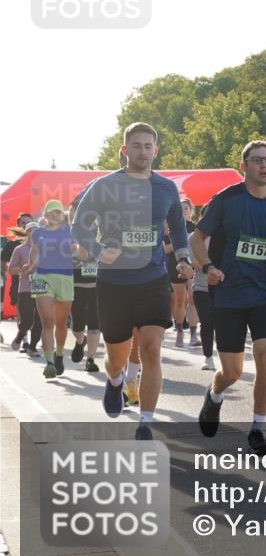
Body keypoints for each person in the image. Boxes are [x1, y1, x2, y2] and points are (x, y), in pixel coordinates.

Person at [72, 122, 195, 440]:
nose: (143, 151)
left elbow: (178, 228)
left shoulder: (166, 188)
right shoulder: (104, 185)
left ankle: (145, 421)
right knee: (116, 358)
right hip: (113, 282)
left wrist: (182, 258)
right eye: (137, 145)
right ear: (125, 150)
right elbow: (79, 224)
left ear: (156, 150)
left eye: (148, 146)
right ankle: (114, 381)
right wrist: (98, 250)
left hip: (153, 278)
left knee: (152, 348)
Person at [190, 140, 266, 456]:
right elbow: (196, 238)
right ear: (244, 165)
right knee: (232, 371)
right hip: (228, 294)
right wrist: (207, 266)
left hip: (264, 292)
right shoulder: (226, 200)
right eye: (257, 160)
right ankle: (215, 394)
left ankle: (258, 430)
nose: (264, 165)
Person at [28, 200, 75, 379]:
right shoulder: (37, 233)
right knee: (47, 322)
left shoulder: (68, 231)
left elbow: (77, 249)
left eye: (59, 212)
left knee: (61, 324)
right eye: (54, 212)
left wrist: (75, 249)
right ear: (46, 215)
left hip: (65, 278)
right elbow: (34, 250)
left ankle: (60, 354)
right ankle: (49, 363)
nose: (58, 214)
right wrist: (31, 263)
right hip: (42, 276)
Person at [68, 205, 101, 372]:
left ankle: (91, 359)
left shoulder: (97, 229)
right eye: (72, 213)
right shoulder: (65, 235)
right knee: (77, 326)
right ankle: (80, 341)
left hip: (96, 285)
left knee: (95, 323)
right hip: (75, 285)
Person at [164, 199, 197, 347]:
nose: (183, 211)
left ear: (190, 211)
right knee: (179, 300)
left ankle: (194, 334)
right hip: (174, 265)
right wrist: (176, 239)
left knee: (192, 298)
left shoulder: (195, 228)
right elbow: (167, 249)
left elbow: (200, 247)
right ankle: (179, 331)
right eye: (181, 208)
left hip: (192, 264)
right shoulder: (170, 228)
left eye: (186, 208)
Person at [8, 222, 40, 355]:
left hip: (43, 289)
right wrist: (22, 269)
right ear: (27, 233)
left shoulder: (46, 249)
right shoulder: (19, 249)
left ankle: (32, 347)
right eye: (31, 230)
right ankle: (20, 336)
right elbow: (11, 270)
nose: (35, 233)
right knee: (27, 320)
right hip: (26, 288)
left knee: (40, 321)